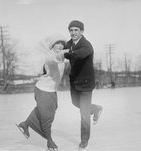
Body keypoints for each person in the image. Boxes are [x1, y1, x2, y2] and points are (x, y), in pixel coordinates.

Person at [18, 34, 69, 151]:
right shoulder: (50, 56)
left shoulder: (60, 55)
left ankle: (25, 124)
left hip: (50, 90)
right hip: (44, 90)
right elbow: (55, 59)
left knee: (47, 110)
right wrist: (65, 51)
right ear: (52, 45)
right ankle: (50, 142)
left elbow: (63, 57)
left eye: (62, 44)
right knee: (47, 116)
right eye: (58, 43)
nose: (60, 46)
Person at [64, 20, 103, 149]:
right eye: (71, 30)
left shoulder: (86, 45)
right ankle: (96, 108)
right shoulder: (69, 43)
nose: (73, 32)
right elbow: (61, 49)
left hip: (86, 83)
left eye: (76, 30)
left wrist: (69, 54)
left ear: (81, 31)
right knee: (76, 104)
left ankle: (84, 140)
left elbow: (80, 55)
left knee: (84, 113)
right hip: (75, 82)